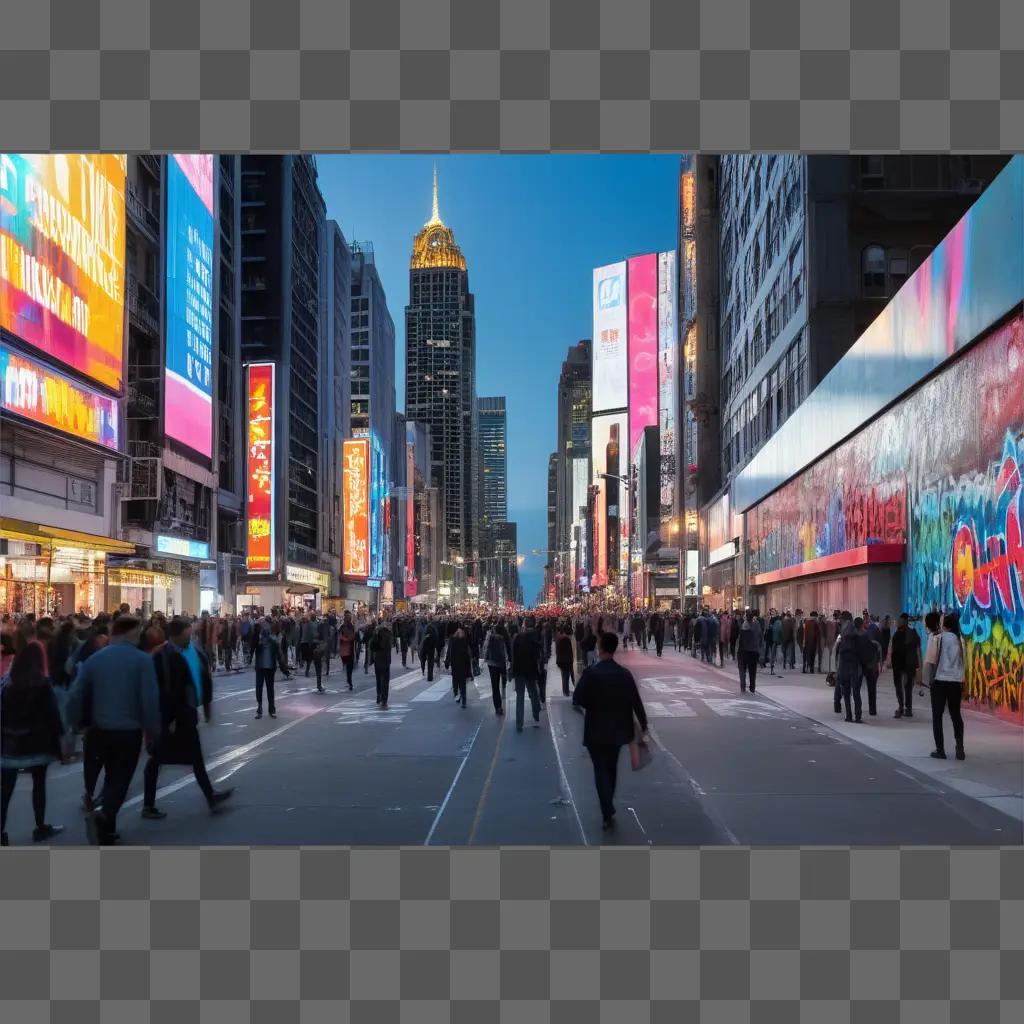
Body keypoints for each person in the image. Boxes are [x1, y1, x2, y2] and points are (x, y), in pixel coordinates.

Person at [66, 617, 162, 846]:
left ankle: (107, 828)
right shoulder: (142, 660)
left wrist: (75, 724)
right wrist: (153, 731)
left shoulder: (95, 660)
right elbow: (150, 700)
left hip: (99, 729)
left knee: (111, 777)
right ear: (132, 633)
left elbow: (75, 694)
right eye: (138, 632)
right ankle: (102, 812)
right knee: (120, 780)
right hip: (128, 730)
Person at [141, 618, 232, 820]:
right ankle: (149, 805)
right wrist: (169, 717)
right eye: (187, 634)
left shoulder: (175, 654)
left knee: (185, 758)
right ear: (177, 634)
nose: (189, 638)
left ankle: (209, 795)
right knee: (159, 759)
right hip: (175, 717)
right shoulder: (165, 656)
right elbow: (164, 690)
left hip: (181, 715)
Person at [572, 632, 649, 830]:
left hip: (595, 729)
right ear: (614, 649)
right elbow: (635, 701)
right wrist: (643, 723)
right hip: (618, 728)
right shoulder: (624, 674)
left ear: (600, 648)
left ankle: (606, 808)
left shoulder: (591, 673)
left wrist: (592, 703)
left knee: (600, 769)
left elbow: (578, 699)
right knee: (612, 767)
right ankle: (608, 806)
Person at [1, 642, 65, 846]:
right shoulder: (42, 683)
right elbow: (52, 715)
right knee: (39, 785)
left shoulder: (7, 682)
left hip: (9, 743)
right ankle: (40, 826)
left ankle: (1, 831)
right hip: (37, 742)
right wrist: (60, 739)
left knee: (5, 789)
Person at [926, 613, 967, 760]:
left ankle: (940, 749)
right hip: (955, 682)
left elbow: (931, 662)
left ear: (945, 625)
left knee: (937, 716)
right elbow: (964, 664)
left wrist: (927, 681)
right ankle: (959, 746)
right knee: (956, 715)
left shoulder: (937, 638)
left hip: (940, 681)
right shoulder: (961, 640)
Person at [510, 616, 544, 732]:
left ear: (524, 625)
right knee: (533, 694)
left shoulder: (517, 638)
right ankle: (536, 718)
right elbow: (538, 653)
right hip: (530, 671)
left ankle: (519, 723)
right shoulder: (534, 638)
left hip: (519, 671)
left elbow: (513, 656)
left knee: (520, 697)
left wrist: (512, 671)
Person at [253, 617, 289, 719]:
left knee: (270, 689)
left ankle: (271, 709)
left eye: (267, 626)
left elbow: (279, 654)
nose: (265, 628)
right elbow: (253, 645)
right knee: (259, 687)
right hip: (260, 666)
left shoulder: (273, 640)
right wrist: (257, 633)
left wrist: (284, 668)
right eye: (263, 625)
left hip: (270, 667)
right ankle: (259, 708)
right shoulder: (258, 638)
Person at [889, 613, 921, 718]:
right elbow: (892, 648)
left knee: (907, 687)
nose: (899, 623)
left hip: (908, 664)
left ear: (906, 622)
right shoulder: (897, 634)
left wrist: (918, 665)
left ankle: (907, 708)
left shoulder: (912, 633)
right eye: (899, 621)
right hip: (898, 664)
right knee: (899, 686)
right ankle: (902, 707)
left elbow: (917, 649)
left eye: (901, 621)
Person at [483, 623, 508, 715]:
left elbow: (485, 648)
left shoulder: (490, 637)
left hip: (492, 663)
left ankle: (498, 706)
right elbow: (505, 651)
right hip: (501, 662)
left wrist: (485, 658)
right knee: (503, 681)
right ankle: (503, 698)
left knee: (495, 685)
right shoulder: (503, 638)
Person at [446, 626, 473, 709]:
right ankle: (463, 700)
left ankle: (458, 697)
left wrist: (448, 661)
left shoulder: (453, 640)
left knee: (456, 683)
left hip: (456, 665)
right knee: (462, 684)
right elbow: (467, 654)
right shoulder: (464, 641)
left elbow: (450, 652)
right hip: (462, 665)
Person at [736, 609, 763, 693]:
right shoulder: (757, 624)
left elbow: (739, 639)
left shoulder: (743, 625)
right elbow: (760, 636)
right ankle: (752, 687)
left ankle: (743, 686)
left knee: (742, 670)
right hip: (753, 651)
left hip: (743, 651)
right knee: (752, 670)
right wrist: (759, 649)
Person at [371, 619, 393, 708]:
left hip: (378, 658)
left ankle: (378, 695)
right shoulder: (389, 634)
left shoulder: (376, 634)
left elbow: (372, 647)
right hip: (386, 658)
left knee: (378, 679)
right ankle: (384, 699)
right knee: (385, 680)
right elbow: (390, 646)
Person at [554, 624, 575, 697]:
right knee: (566, 676)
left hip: (562, 660)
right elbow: (568, 652)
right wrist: (571, 660)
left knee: (564, 675)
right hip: (566, 661)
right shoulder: (565, 639)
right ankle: (566, 691)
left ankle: (565, 691)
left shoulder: (560, 638)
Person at [338, 611, 357, 690]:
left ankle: (349, 681)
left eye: (350, 616)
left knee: (350, 666)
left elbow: (354, 635)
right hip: (345, 649)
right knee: (348, 666)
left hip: (351, 648)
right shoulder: (343, 626)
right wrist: (346, 639)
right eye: (348, 616)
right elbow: (340, 636)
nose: (349, 618)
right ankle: (349, 681)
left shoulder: (351, 626)